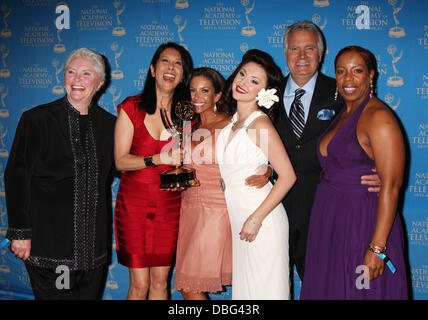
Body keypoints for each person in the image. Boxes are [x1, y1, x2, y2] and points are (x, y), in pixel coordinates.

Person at [5, 48, 116, 299]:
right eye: (71, 72)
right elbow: (16, 176)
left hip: (93, 249)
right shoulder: (37, 119)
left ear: (100, 82)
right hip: (49, 244)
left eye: (86, 74)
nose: (77, 80)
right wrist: (20, 233)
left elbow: (123, 167)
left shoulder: (110, 125)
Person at [300, 46, 408, 299]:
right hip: (330, 220)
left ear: (371, 75)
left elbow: (391, 186)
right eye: (341, 71)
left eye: (357, 71)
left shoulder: (380, 118)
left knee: (362, 291)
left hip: (363, 223)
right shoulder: (342, 114)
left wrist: (378, 248)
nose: (348, 79)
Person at [275, 21, 380, 281]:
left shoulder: (344, 90)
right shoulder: (266, 93)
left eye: (309, 48)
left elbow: (372, 130)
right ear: (285, 53)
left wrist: (381, 171)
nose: (301, 56)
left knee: (326, 287)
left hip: (327, 211)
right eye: (294, 49)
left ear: (321, 55)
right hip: (274, 211)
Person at [174, 67, 272, 300]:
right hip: (189, 209)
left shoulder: (232, 123)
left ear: (217, 95)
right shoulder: (189, 126)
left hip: (216, 211)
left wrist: (268, 170)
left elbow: (260, 155)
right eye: (193, 91)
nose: (197, 97)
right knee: (188, 285)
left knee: (191, 286)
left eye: (204, 91)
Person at [114, 42, 193, 300]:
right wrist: (157, 158)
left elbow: (186, 161)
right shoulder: (131, 107)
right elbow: (121, 162)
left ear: (183, 74)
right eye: (165, 61)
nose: (171, 68)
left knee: (160, 282)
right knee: (139, 285)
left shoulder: (186, 115)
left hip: (169, 206)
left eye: (178, 63)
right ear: (152, 69)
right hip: (134, 206)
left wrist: (184, 177)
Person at [216, 49, 296, 300]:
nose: (243, 82)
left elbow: (288, 176)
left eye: (254, 81)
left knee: (266, 292)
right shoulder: (232, 122)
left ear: (264, 92)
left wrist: (256, 219)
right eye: (242, 74)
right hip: (241, 221)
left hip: (262, 222)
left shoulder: (259, 123)